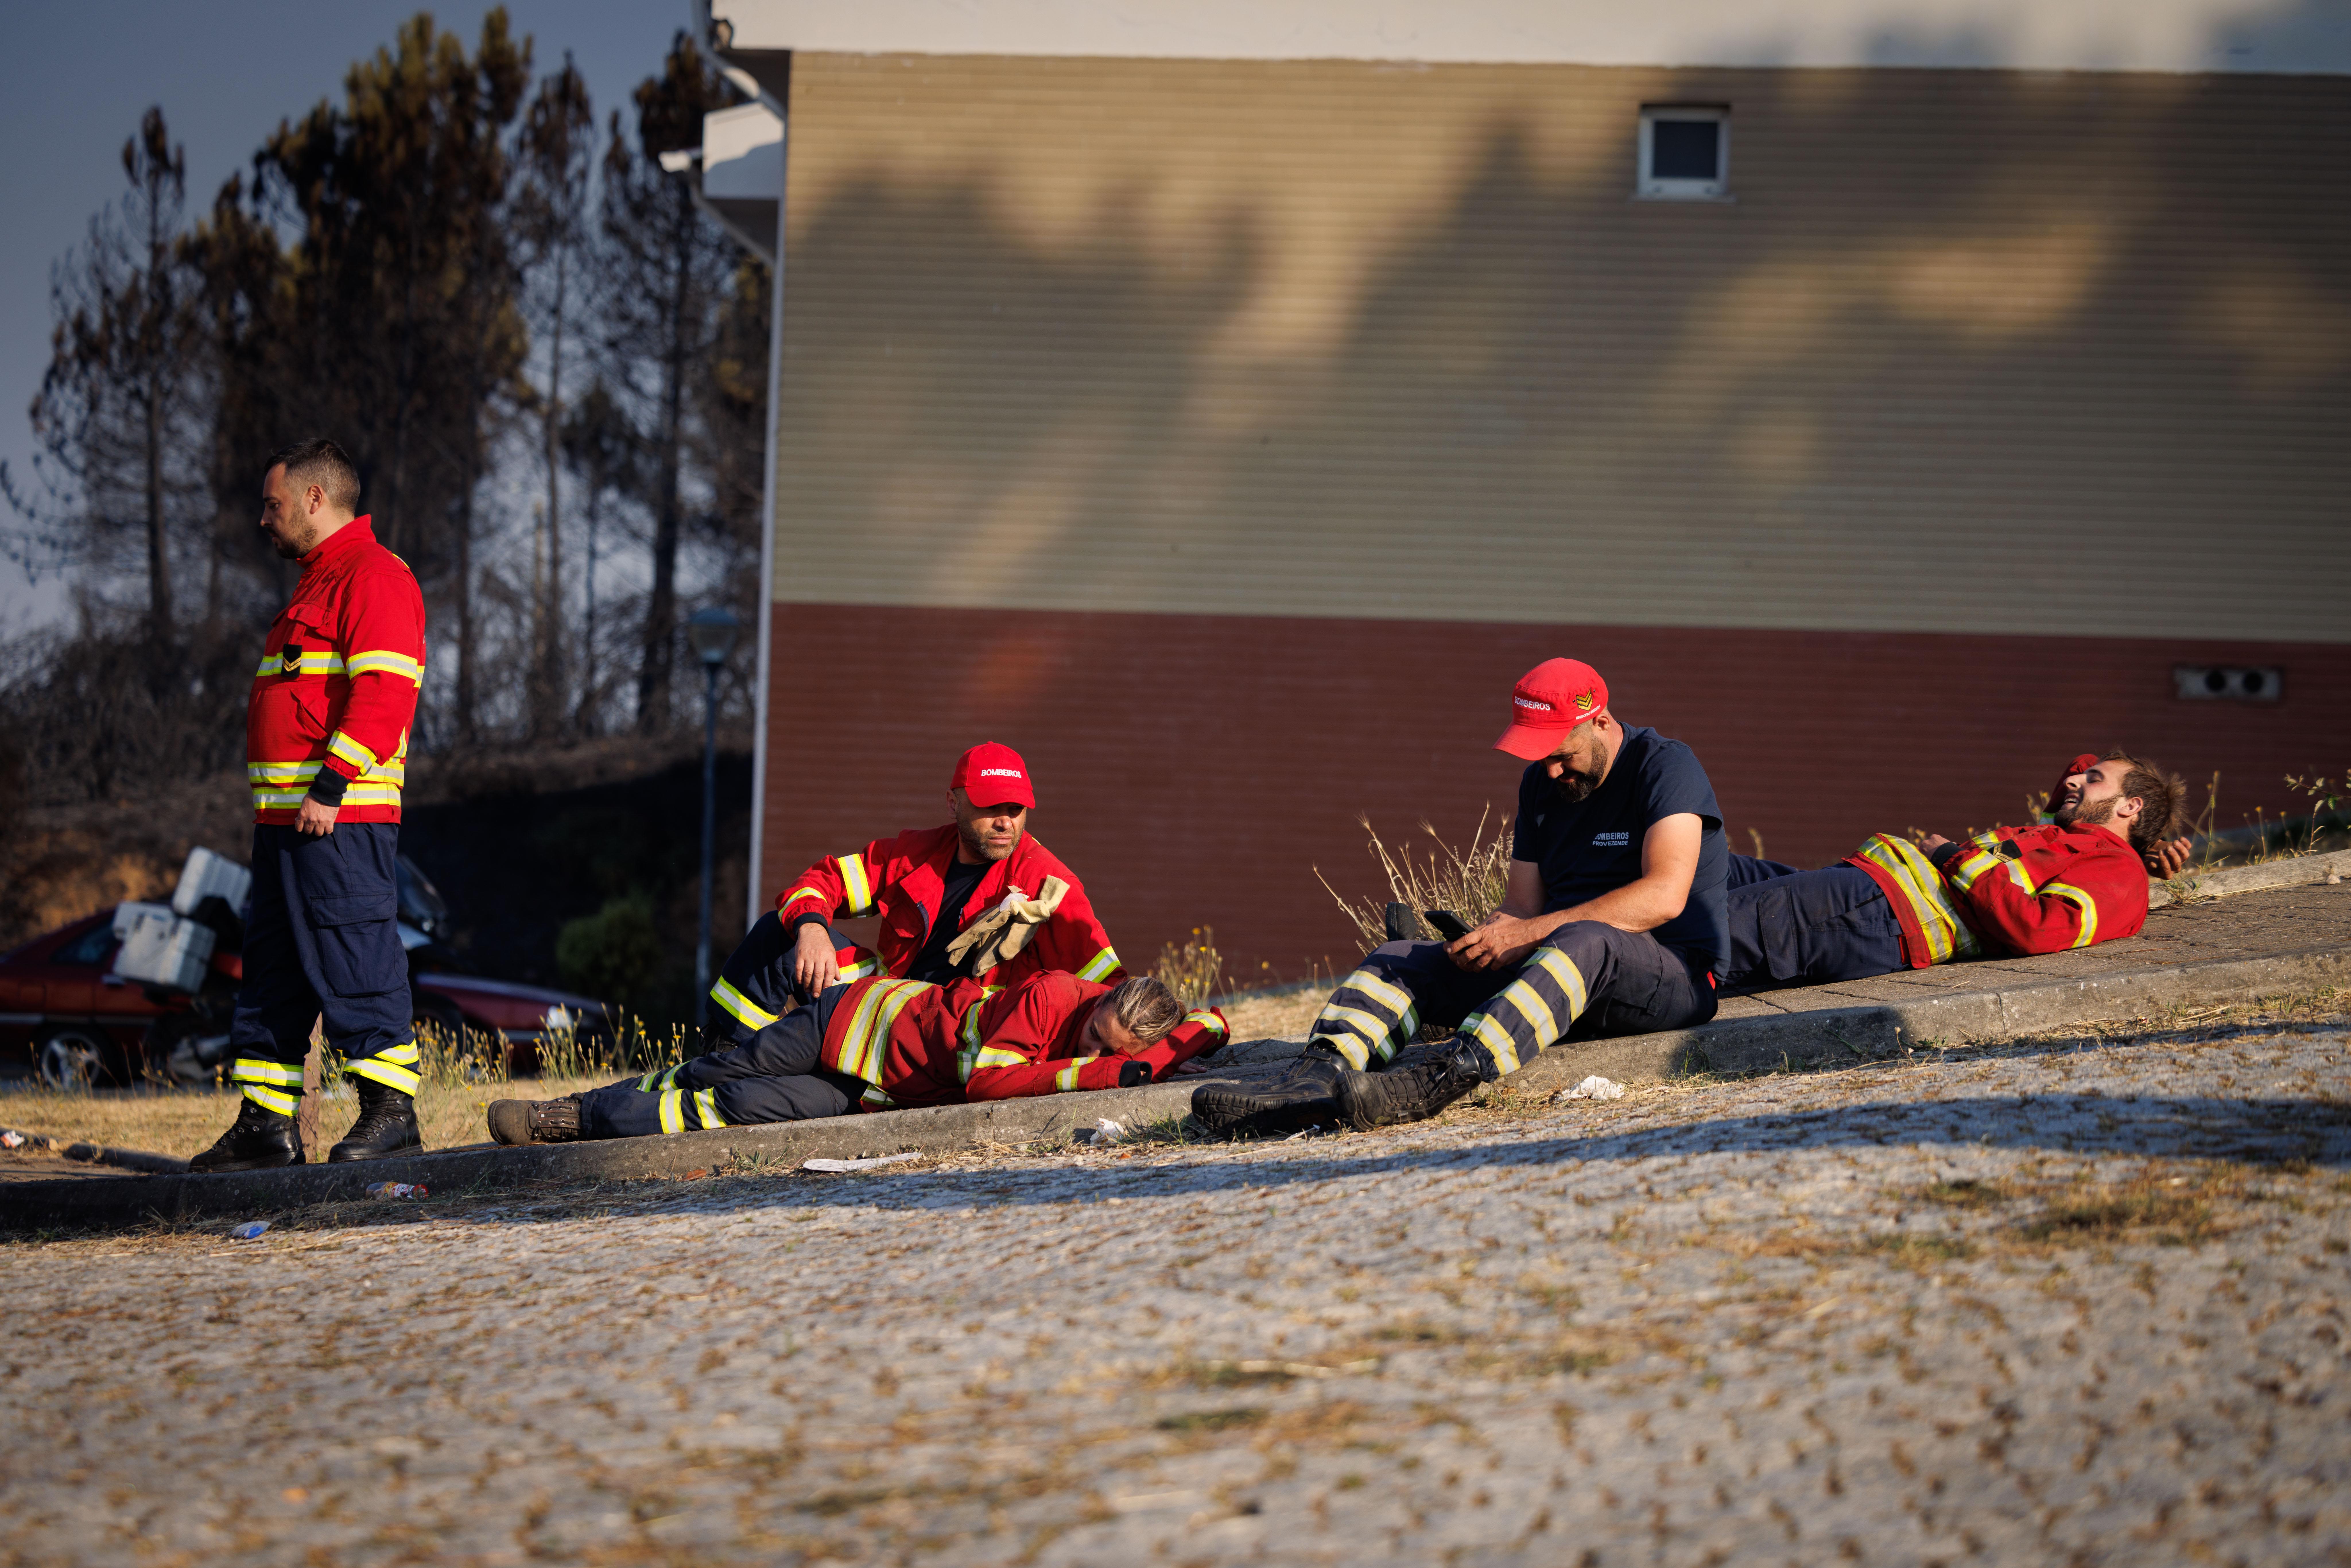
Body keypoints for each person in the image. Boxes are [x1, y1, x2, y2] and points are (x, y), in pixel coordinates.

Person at [1196, 657, 1729, 1138]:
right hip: (1563, 973)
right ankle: (1314, 1081)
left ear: (1601, 723)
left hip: (1674, 976)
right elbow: (1522, 907)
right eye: (1539, 756)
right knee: (1398, 960)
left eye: (1561, 755)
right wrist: (1490, 939)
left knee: (1586, 940)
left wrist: (1532, 932)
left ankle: (1437, 1080)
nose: (1551, 771)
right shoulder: (1541, 786)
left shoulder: (1665, 767)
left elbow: (1665, 895)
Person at [190, 440, 429, 1172]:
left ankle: (392, 1116)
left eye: (274, 504)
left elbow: (385, 693)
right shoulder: (316, 583)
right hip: (285, 827)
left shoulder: (374, 577)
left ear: (315, 500)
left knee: (357, 957)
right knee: (272, 976)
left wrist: (330, 788)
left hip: (338, 819)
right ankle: (266, 1124)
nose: (265, 519)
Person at [704, 743, 1124, 1046]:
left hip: (956, 1036)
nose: (1005, 823)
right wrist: (812, 927)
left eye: (1015, 810)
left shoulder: (1049, 883)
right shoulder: (913, 854)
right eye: (990, 807)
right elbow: (823, 881)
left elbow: (1112, 990)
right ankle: (723, 1055)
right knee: (778, 935)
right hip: (884, 1001)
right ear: (952, 804)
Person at [486, 972, 1228, 1143]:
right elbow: (985, 1083)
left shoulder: (1124, 1037)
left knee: (740, 1110)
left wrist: (1196, 1041)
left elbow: (1204, 1025)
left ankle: (587, 1119)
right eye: (1096, 1031)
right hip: (853, 1020)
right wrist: (1109, 1069)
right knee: (723, 1070)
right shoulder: (1056, 995)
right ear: (1104, 999)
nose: (1092, 1047)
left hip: (879, 1090)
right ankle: (569, 1114)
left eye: (1112, 1050)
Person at [1721, 752, 2184, 991]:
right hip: (1866, 899)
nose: (2074, 779)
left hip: (1880, 914)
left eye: (2094, 780)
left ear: (2130, 805)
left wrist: (1951, 858)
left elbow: (2036, 930)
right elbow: (2082, 762)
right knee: (1718, 871)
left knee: (1713, 929)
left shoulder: (2120, 873)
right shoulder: (2090, 845)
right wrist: (2142, 838)